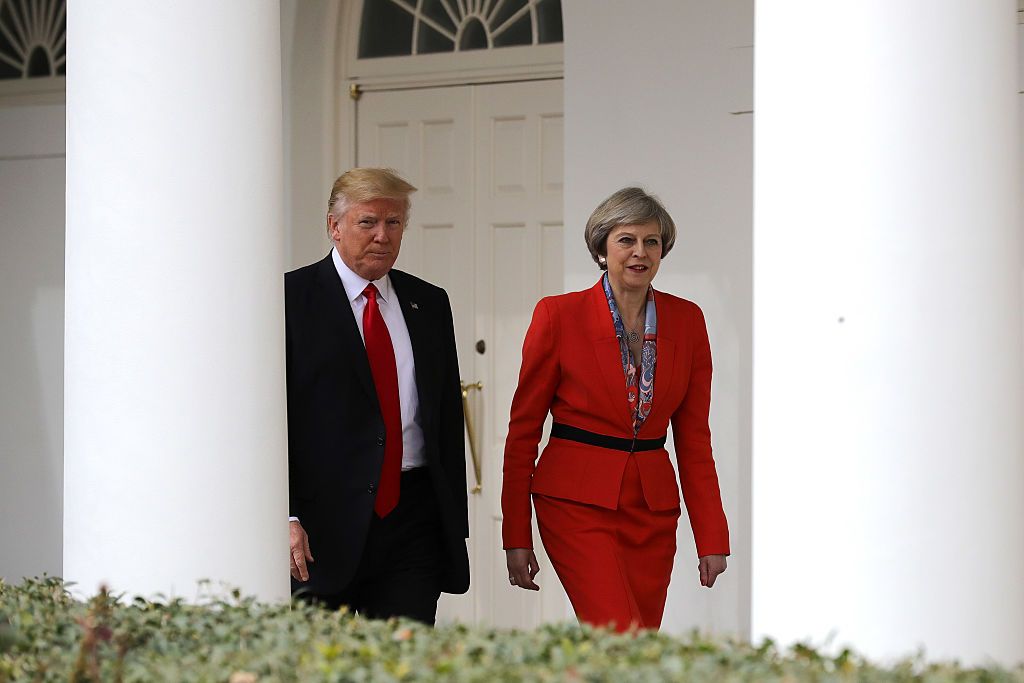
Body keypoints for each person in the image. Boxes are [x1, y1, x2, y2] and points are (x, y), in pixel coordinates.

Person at [501, 187, 730, 631]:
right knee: (617, 634)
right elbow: (523, 433)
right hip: (574, 504)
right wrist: (515, 534)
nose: (639, 252)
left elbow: (695, 441)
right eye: (626, 240)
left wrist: (712, 537)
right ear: (602, 249)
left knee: (637, 644)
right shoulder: (557, 316)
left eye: (652, 241)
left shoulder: (688, 320)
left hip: (652, 510)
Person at [285, 168, 469, 625]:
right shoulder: (289, 299)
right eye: (368, 222)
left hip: (413, 518)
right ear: (335, 226)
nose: (382, 236)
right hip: (322, 525)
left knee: (403, 662)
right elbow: (270, 420)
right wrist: (285, 516)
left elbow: (445, 415)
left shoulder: (428, 302)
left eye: (394, 223)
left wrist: (453, 523)